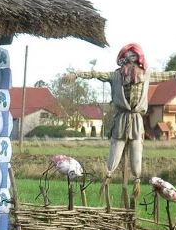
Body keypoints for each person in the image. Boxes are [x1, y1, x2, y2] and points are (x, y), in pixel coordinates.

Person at [64, 43, 150, 204]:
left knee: (136, 154)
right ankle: (109, 176)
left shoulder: (146, 75)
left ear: (139, 59)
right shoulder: (116, 76)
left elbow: (168, 75)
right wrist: (78, 74)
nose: (131, 61)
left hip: (136, 122)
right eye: (128, 57)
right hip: (121, 121)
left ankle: (136, 180)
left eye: (134, 57)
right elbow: (96, 74)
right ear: (123, 59)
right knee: (116, 149)